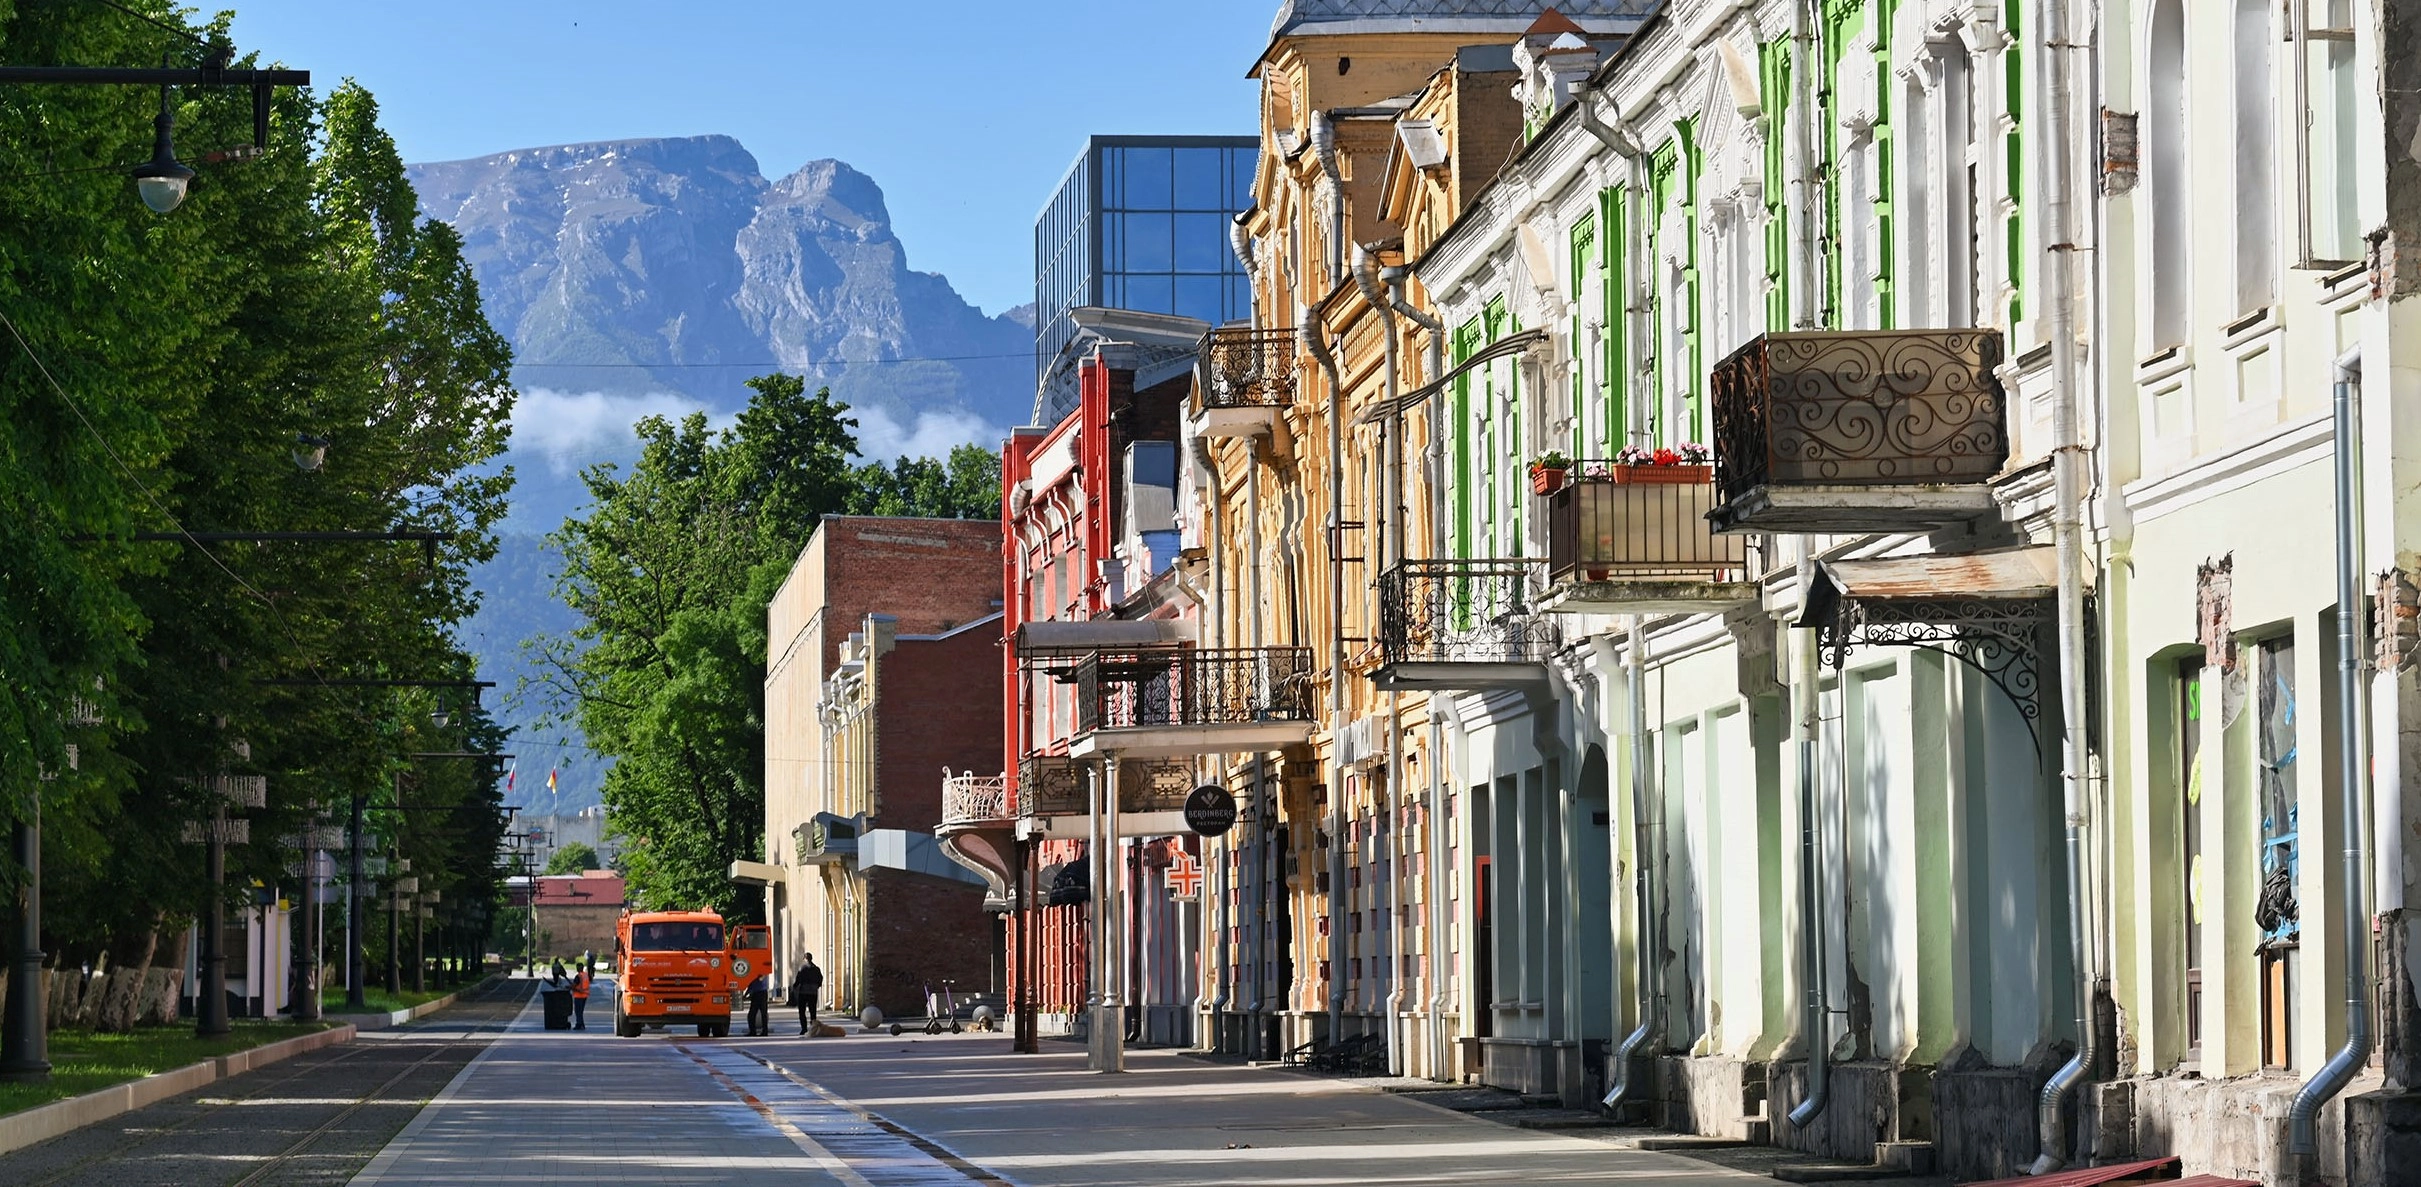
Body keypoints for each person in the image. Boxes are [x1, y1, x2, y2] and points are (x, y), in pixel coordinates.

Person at [792, 953, 823, 1034]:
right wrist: (816, 986)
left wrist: (795, 986)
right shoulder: (816, 969)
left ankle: (804, 1028)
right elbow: (820, 979)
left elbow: (798, 979)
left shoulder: (802, 968)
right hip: (813, 992)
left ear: (805, 959)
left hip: (803, 992)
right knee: (813, 1012)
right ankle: (813, 1028)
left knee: (802, 1011)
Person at [569, 962, 592, 1030]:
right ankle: (582, 1024)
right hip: (585, 995)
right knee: (580, 1011)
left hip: (579, 995)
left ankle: (579, 1024)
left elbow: (574, 985)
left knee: (578, 1011)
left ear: (577, 968)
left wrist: (569, 987)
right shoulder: (586, 975)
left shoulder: (578, 976)